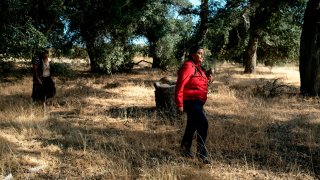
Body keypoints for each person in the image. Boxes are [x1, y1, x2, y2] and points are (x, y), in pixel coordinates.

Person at [175, 45, 213, 164]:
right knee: (203, 123)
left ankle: (184, 149)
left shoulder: (199, 68)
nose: (202, 55)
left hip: (198, 102)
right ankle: (202, 154)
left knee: (192, 125)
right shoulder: (188, 66)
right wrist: (179, 103)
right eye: (199, 53)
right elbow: (180, 85)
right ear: (192, 54)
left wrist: (209, 78)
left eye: (203, 53)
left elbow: (200, 83)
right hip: (190, 101)